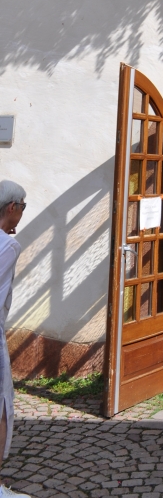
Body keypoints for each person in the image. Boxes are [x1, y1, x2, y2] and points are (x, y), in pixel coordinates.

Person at [0, 181, 30, 498]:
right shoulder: (8, 247)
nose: (22, 213)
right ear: (13, 207)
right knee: (2, 405)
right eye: (22, 207)